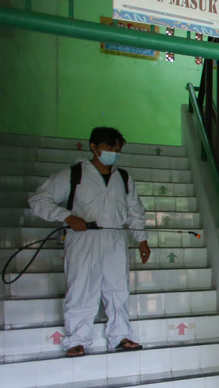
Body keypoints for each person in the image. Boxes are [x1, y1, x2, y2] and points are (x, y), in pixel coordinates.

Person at [29, 126, 150, 357]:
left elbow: (135, 210)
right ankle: (76, 339)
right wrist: (67, 216)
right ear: (93, 147)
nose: (114, 152)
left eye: (117, 148)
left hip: (115, 239)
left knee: (118, 289)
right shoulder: (74, 174)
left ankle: (120, 335)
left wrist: (142, 240)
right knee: (82, 289)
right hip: (83, 239)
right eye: (109, 147)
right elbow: (38, 200)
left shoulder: (123, 177)